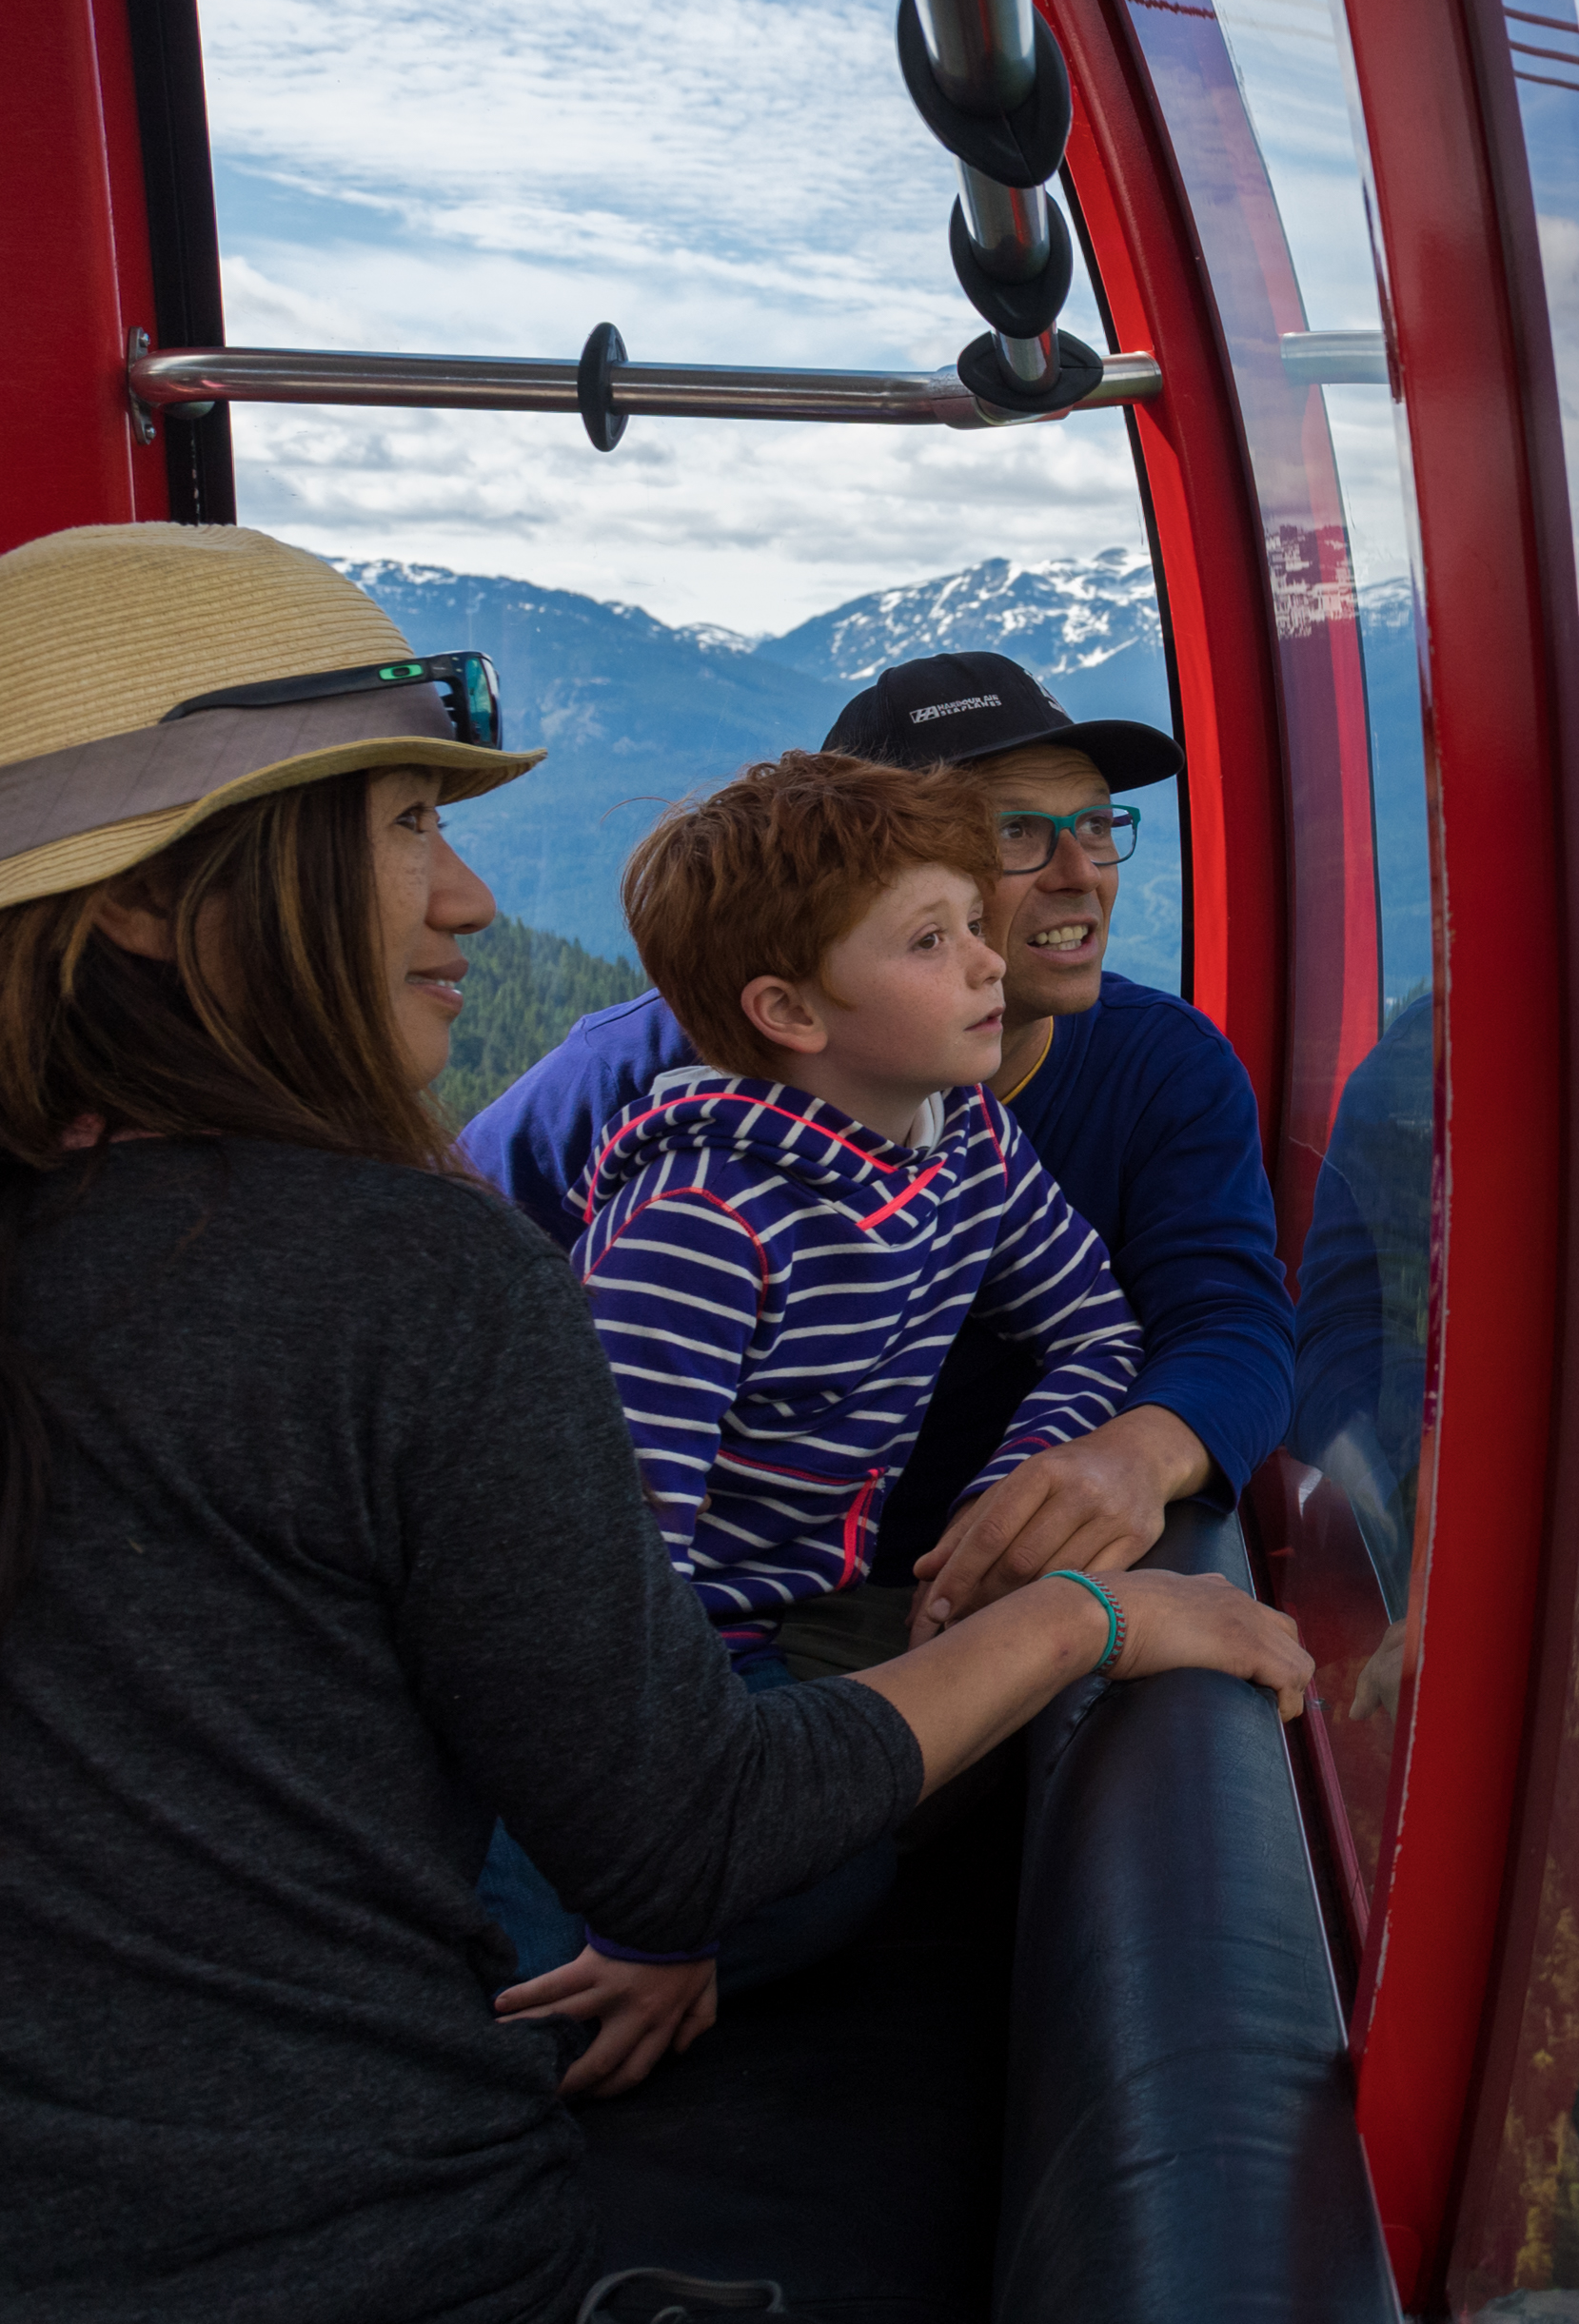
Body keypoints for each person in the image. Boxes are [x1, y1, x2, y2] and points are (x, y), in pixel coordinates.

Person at [0, 523, 1311, 2324]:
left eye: (1095, 828)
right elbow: (664, 1743)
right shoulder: (574, 1191)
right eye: (400, 825)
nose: (469, 898)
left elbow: (1198, 1313)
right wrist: (1085, 1613)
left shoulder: (1087, 1096)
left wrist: (1108, 1453)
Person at [477, 750, 1151, 2043]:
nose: (988, 960)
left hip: (752, 1641)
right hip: (604, 1674)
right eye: (928, 939)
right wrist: (657, 1918)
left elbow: (1093, 1330)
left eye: (971, 921)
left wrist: (1021, 1484)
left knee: (844, 1870)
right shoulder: (701, 1231)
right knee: (580, 1961)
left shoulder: (968, 1148)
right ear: (789, 1010)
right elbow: (613, 1589)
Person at [464, 652, 1290, 1664]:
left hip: (922, 1596)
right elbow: (446, 1286)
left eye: (1095, 823)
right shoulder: (645, 1088)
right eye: (1015, 832)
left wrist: (1130, 1454)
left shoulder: (1138, 1076)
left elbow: (1227, 1317)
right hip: (684, 1636)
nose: (1081, 872)